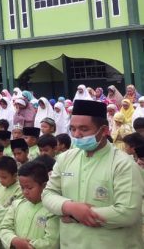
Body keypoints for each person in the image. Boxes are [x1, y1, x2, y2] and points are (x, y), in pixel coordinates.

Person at [42, 99, 144, 248]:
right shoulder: (65, 158)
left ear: (103, 131)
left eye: (83, 129)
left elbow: (127, 213)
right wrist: (70, 207)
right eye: (73, 128)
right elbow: (48, 194)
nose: (76, 134)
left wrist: (78, 215)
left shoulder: (123, 164)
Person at [0, 161, 59, 249]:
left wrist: (28, 245)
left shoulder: (52, 210)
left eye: (29, 188)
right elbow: (4, 228)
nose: (25, 192)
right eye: (22, 187)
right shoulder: (16, 205)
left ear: (44, 186)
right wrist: (14, 240)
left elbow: (51, 242)